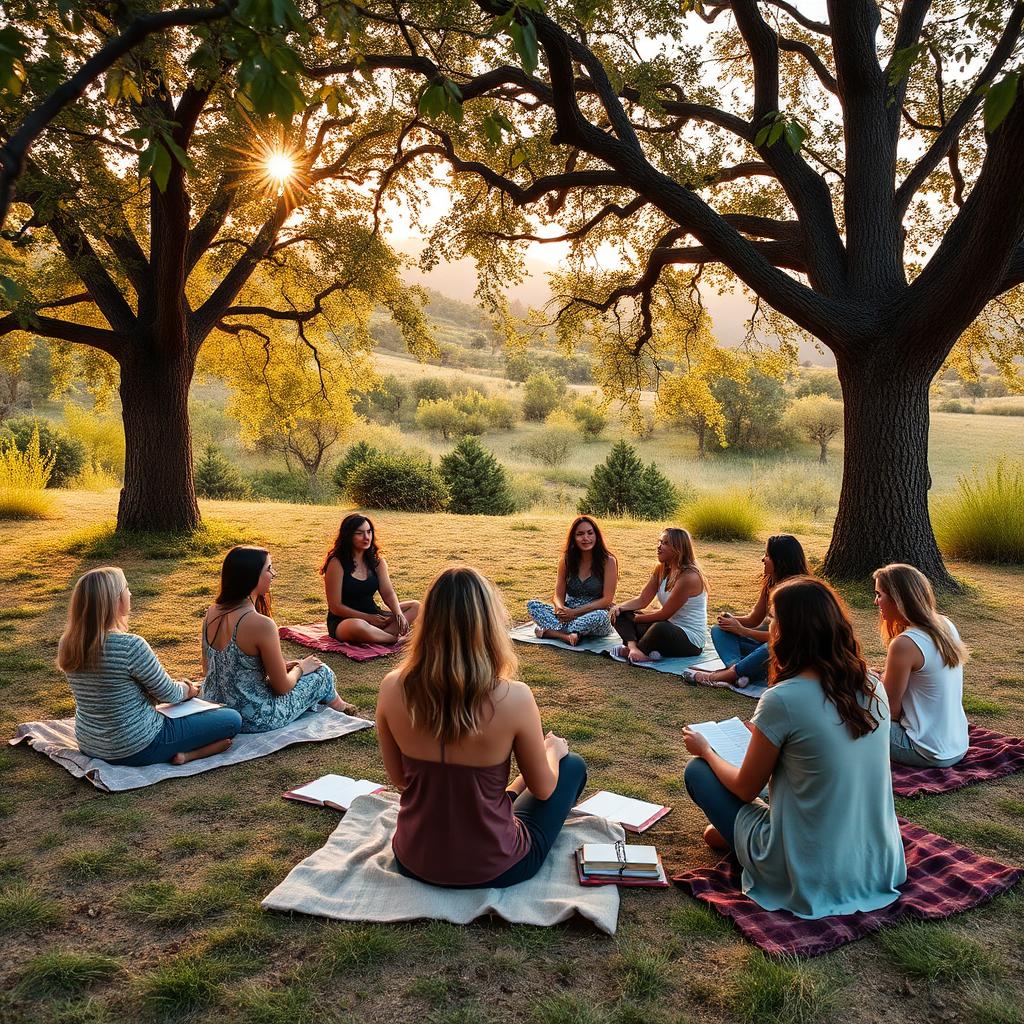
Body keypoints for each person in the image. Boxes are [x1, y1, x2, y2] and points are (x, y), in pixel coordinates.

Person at [682, 577, 907, 920]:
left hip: (806, 869)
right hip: (877, 861)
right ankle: (738, 835)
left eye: (773, 620)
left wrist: (707, 750)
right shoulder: (872, 683)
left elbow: (745, 789)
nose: (769, 628)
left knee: (698, 771)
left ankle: (746, 841)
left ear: (789, 631)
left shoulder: (783, 698)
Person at [376, 566, 587, 888]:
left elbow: (401, 780)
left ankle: (504, 799)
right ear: (488, 624)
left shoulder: (392, 687)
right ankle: (537, 774)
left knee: (486, 788)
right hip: (496, 865)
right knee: (571, 766)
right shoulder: (514, 696)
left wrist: (509, 788)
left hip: (413, 858)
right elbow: (544, 789)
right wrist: (552, 751)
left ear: (428, 621)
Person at [57, 567, 242, 766]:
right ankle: (189, 755)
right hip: (138, 746)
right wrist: (188, 689)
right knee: (231, 719)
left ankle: (189, 753)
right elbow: (169, 694)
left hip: (91, 744)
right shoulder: (130, 646)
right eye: (126, 588)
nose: (130, 593)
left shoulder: (68, 643)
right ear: (115, 600)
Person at [202, 546, 354, 731]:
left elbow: (209, 670)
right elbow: (282, 687)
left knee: (300, 668)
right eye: (269, 568)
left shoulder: (211, 613)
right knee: (322, 673)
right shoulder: (260, 624)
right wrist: (300, 668)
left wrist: (283, 667)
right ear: (251, 576)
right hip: (257, 718)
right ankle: (340, 707)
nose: (273, 573)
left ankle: (339, 705)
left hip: (217, 711)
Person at [874, 563, 970, 768]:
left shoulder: (904, 644)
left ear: (898, 599)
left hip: (923, 750)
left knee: (847, 709)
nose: (876, 602)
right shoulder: (945, 624)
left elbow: (890, 711)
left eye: (879, 595)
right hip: (957, 745)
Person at [683, 535, 810, 689]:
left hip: (786, 653)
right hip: (761, 648)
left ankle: (719, 676)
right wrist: (730, 621)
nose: (763, 559)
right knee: (718, 630)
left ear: (780, 560)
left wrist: (742, 630)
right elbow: (754, 619)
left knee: (771, 647)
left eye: (767, 555)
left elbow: (782, 638)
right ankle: (738, 671)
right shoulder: (770, 582)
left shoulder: (798, 592)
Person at [609, 527, 708, 663]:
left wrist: (635, 619)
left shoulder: (689, 577)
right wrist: (620, 608)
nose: (659, 547)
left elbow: (664, 615)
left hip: (689, 640)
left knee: (659, 627)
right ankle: (634, 649)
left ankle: (643, 650)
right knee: (618, 612)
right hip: (666, 626)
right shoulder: (661, 569)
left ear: (679, 548)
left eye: (665, 543)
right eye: (660, 542)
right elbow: (643, 599)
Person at [322, 513, 420, 645]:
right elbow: (335, 607)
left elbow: (388, 592)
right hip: (345, 621)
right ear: (348, 536)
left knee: (416, 606)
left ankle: (381, 635)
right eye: (359, 533)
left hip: (374, 615)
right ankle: (392, 638)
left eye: (369, 532)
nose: (366, 537)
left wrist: (398, 614)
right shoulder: (337, 563)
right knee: (358, 626)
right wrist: (368, 618)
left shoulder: (377, 562)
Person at [526, 515, 618, 645]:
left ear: (596, 536)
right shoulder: (566, 560)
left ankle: (551, 632)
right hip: (567, 612)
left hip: (594, 613)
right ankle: (570, 635)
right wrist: (559, 609)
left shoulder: (608, 561)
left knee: (601, 616)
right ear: (573, 538)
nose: (586, 538)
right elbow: (558, 594)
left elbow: (607, 600)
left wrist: (575, 613)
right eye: (580, 534)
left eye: (590, 533)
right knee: (533, 605)